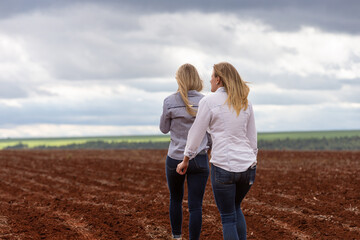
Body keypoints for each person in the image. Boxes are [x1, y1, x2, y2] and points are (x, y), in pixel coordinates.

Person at [177, 62, 257, 240]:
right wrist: (252, 159)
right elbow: (252, 137)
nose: (210, 80)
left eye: (212, 76)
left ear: (219, 80)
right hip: (248, 167)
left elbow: (196, 133)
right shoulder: (245, 102)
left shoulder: (208, 101)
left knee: (228, 217)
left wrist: (186, 159)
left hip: (223, 166)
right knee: (236, 208)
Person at [160, 63, 211, 240]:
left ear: (178, 79)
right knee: (196, 205)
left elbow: (164, 129)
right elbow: (210, 131)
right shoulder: (205, 101)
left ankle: (176, 237)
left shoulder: (169, 101)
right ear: (197, 79)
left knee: (175, 199)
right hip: (200, 158)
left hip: (175, 157)